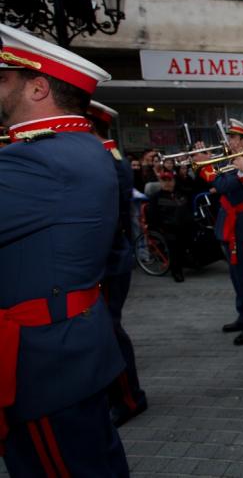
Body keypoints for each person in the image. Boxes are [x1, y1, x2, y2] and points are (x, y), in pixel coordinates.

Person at [0, 24, 129, 475]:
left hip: (44, 360)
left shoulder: (46, 157)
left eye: (4, 80)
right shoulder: (74, 148)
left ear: (38, 87)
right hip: (63, 347)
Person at [86, 100, 149, 427]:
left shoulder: (109, 160)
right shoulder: (101, 156)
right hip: (104, 257)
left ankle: (128, 397)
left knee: (110, 329)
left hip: (109, 258)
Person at [197, 120, 243, 345]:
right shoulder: (231, 161)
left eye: (234, 138)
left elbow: (224, 186)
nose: (229, 141)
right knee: (236, 276)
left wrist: (207, 167)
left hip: (242, 225)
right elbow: (217, 183)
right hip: (229, 222)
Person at [147, 171, 193, 282]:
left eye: (169, 180)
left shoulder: (181, 193)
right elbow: (153, 217)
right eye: (164, 181)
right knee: (174, 242)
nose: (167, 183)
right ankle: (176, 271)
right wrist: (162, 227)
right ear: (160, 182)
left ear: (174, 181)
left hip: (184, 225)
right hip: (167, 228)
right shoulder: (155, 197)